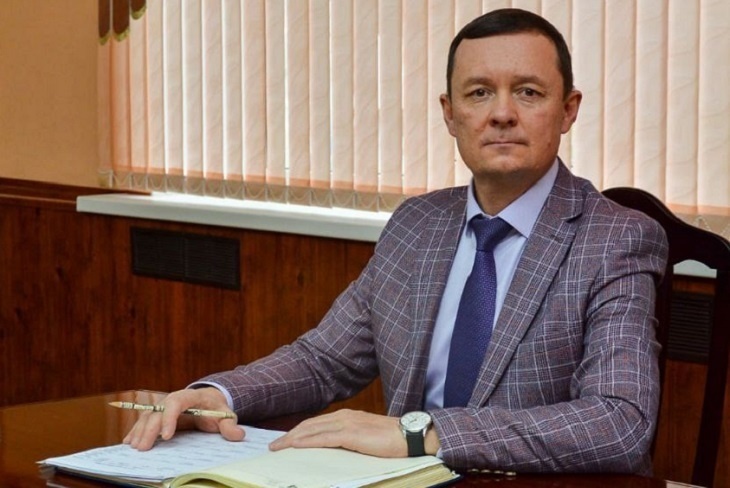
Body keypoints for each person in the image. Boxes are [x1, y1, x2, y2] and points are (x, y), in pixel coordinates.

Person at [124, 8, 668, 475]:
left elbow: (619, 421)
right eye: (479, 93)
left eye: (528, 92)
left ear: (568, 109)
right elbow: (323, 361)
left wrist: (419, 433)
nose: (502, 113)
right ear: (450, 114)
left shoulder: (616, 238)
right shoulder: (417, 223)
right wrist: (219, 395)